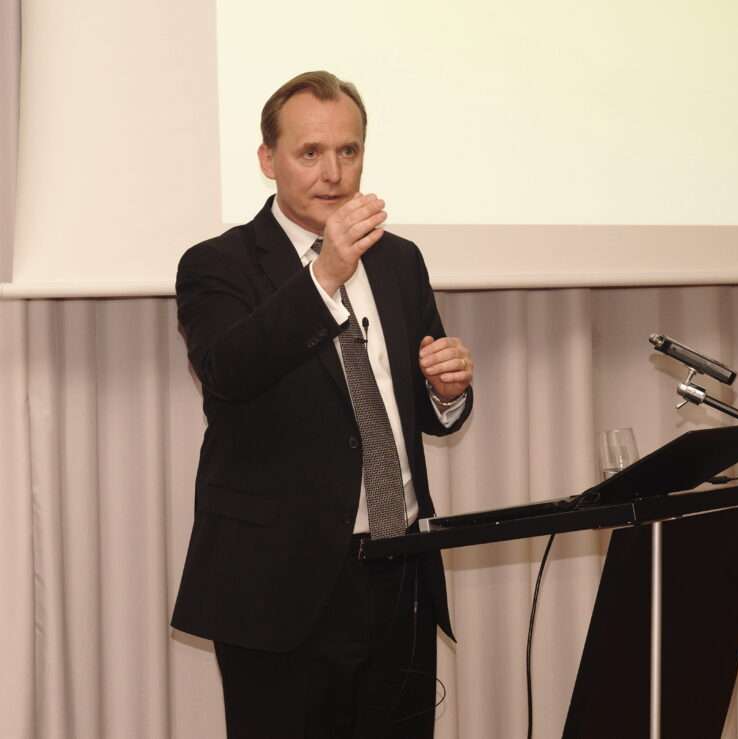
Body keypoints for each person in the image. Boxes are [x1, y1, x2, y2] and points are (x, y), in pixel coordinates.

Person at [171, 70, 474, 739]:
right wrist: (325, 276)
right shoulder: (218, 264)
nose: (333, 173)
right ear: (267, 159)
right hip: (280, 587)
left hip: (400, 570)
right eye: (310, 152)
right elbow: (228, 371)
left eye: (348, 151)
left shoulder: (399, 260)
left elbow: (418, 402)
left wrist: (445, 391)